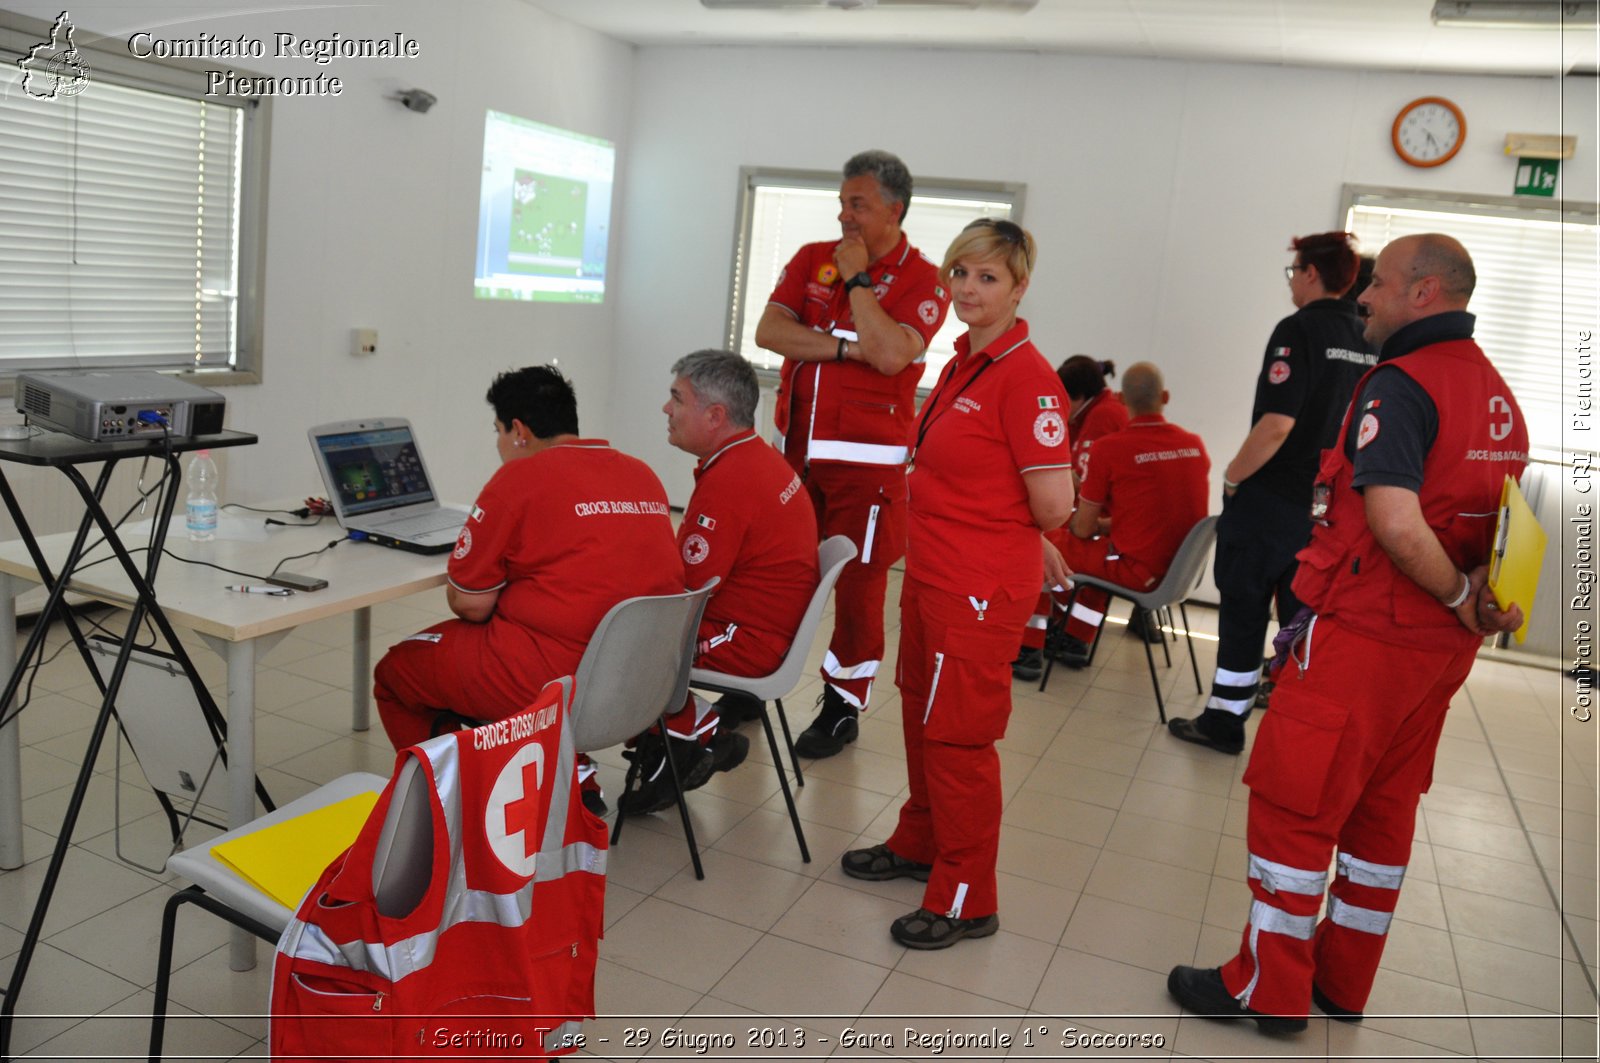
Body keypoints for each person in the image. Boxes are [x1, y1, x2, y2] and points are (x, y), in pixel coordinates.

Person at [1168, 233, 1528, 1033]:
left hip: (1367, 636)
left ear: (1425, 293)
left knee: (1296, 807)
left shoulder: (1400, 386)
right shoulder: (1496, 393)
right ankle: (1340, 980)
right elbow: (1500, 526)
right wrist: (1473, 598)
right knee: (1380, 813)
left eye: (1381, 284)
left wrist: (1455, 591)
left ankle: (1266, 985)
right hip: (1436, 658)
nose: (1363, 296)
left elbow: (1397, 523)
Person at [840, 219, 1073, 949]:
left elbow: (1055, 504)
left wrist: (1027, 541)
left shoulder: (1027, 377)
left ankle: (968, 896)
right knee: (922, 720)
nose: (969, 289)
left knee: (959, 742)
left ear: (1020, 287)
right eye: (961, 274)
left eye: (988, 278)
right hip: (935, 577)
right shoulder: (963, 364)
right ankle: (919, 843)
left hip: (976, 592)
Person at [373, 366, 682, 811]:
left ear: (518, 431)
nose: (499, 445)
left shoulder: (518, 480)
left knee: (396, 673)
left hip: (551, 685)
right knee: (561, 627)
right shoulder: (642, 475)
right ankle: (574, 778)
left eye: (498, 431)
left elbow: (471, 604)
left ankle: (452, 805)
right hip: (638, 682)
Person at [755, 149, 952, 759]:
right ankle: (755, 680)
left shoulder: (925, 279)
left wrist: (860, 280)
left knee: (859, 591)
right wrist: (844, 351)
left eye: (857, 205)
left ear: (894, 211)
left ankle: (842, 704)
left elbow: (892, 355)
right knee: (775, 575)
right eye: (842, 203)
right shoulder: (812, 259)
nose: (844, 215)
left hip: (867, 472)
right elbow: (769, 332)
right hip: (794, 459)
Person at [1167, 232, 1377, 755]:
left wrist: (1235, 477)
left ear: (1310, 273)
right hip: (1326, 509)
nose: (1292, 282)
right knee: (1303, 627)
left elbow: (1277, 423)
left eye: (1294, 272)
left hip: (1271, 505)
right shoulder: (1369, 337)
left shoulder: (1298, 329)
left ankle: (1225, 722)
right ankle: (1295, 732)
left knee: (1243, 612)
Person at [618, 350, 821, 815]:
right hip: (761, 623)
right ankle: (678, 736)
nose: (666, 410)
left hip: (749, 639)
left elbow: (683, 590)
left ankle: (697, 733)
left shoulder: (732, 479)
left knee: (610, 641)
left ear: (715, 415)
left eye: (677, 399)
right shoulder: (753, 457)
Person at [1044, 362, 1210, 661]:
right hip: (1182, 572)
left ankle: (1038, 641)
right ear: (1166, 397)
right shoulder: (1194, 445)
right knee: (1092, 549)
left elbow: (1081, 529)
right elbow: (1152, 515)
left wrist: (1089, 520)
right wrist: (1103, 527)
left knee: (1046, 545)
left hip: (1139, 571)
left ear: (1121, 399)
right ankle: (1075, 636)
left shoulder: (1110, 449)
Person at [1013, 356, 1129, 679]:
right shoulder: (1099, 411)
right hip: (1109, 525)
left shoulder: (1103, 417)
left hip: (1106, 530)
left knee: (1035, 545)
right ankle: (1070, 634)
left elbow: (1088, 484)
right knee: (1045, 538)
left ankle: (1029, 648)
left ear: (1075, 397)